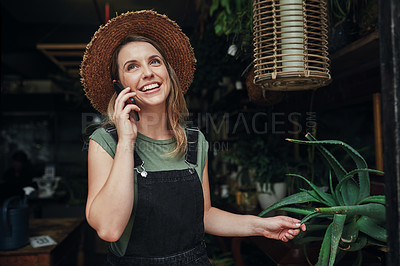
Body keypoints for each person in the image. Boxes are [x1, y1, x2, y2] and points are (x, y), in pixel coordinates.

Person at [80, 10, 306, 265]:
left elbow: (205, 215)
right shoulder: (105, 142)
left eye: (155, 61)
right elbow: (109, 229)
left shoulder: (194, 142)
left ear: (168, 72)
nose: (147, 72)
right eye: (132, 67)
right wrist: (126, 142)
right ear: (119, 85)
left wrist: (261, 226)